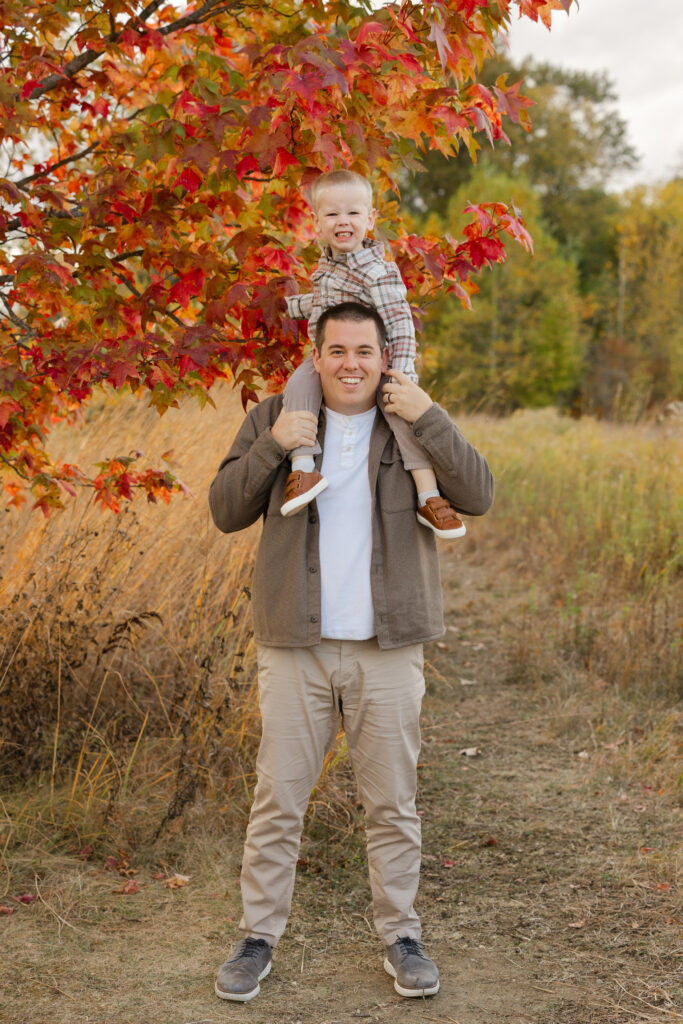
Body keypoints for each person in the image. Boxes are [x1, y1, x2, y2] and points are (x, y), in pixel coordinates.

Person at [208, 301, 494, 1003]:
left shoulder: (410, 425)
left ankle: (401, 935)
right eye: (336, 350)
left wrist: (431, 415)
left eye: (363, 351)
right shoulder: (278, 418)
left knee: (392, 803)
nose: (350, 364)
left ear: (383, 355)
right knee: (278, 802)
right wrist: (273, 443)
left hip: (387, 648)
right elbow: (224, 510)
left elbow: (478, 494)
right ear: (315, 355)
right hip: (295, 646)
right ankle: (256, 938)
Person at [280, 169, 466, 540]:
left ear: (370, 218)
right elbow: (322, 301)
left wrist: (402, 372)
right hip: (326, 358)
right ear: (317, 221)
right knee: (298, 387)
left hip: (372, 361)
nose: (342, 222)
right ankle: (303, 468)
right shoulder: (327, 265)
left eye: (352, 213)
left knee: (400, 416)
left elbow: (400, 321)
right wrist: (289, 307)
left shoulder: (377, 271)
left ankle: (428, 495)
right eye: (332, 214)